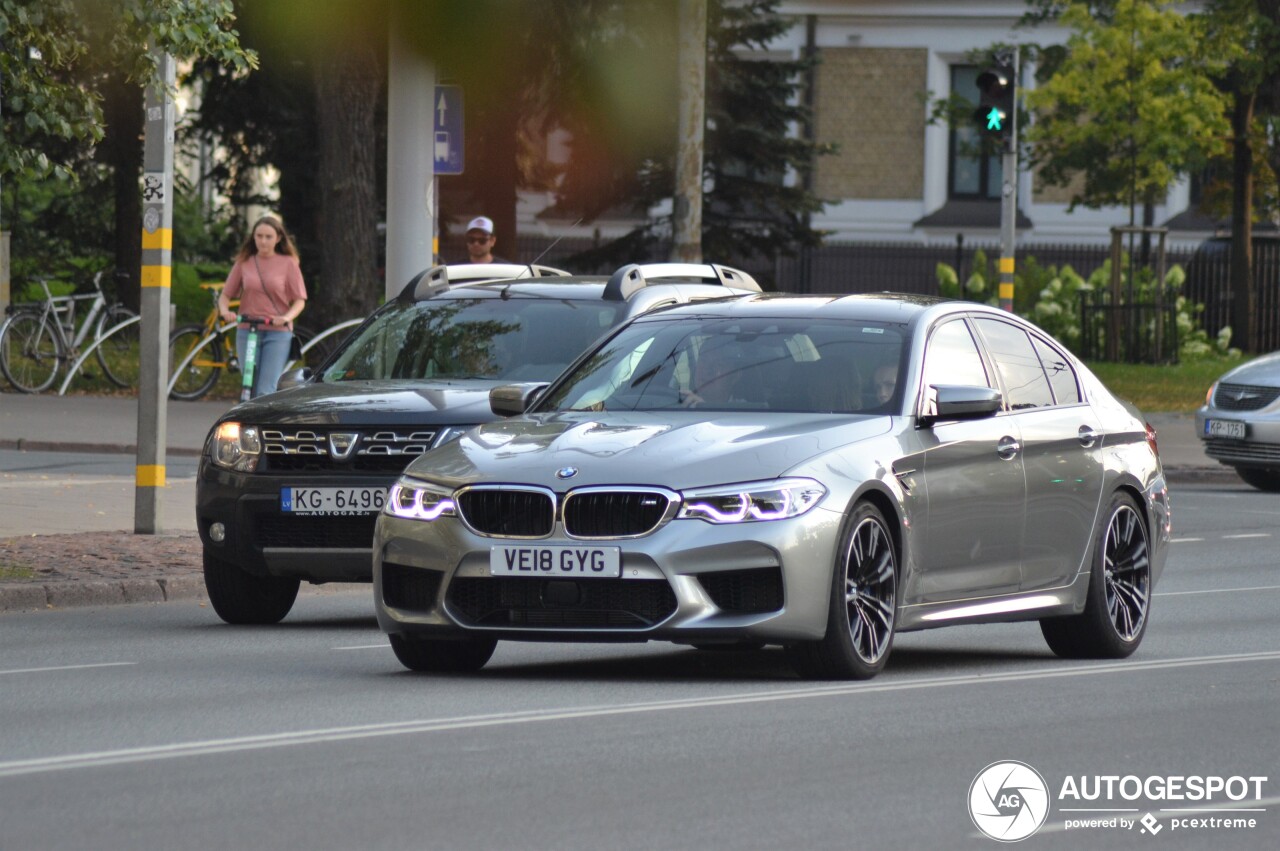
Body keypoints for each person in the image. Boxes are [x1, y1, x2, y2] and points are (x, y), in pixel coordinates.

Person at [217, 214, 308, 398]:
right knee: (248, 386)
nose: (263, 241)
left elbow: (300, 300)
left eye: (268, 237)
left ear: (278, 239)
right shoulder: (245, 261)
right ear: (253, 237)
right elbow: (225, 296)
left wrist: (286, 318)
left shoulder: (288, 263)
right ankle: (247, 424)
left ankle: (262, 425)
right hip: (247, 330)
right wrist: (225, 312)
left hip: (277, 332)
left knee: (266, 388)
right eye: (259, 236)